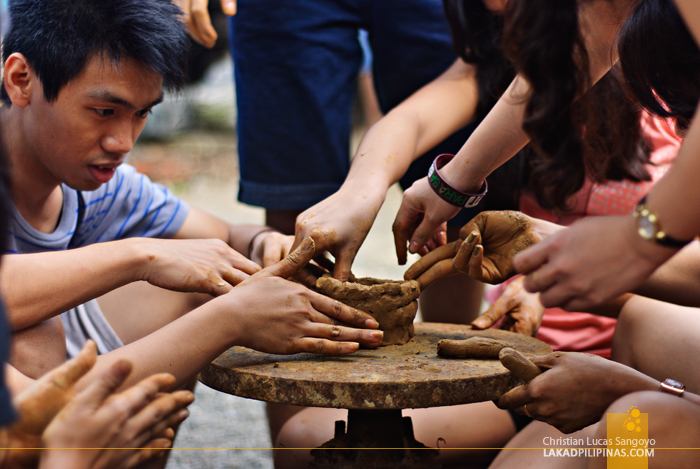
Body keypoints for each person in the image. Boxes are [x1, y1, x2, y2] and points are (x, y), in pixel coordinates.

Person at [0, 0, 381, 396]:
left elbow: (228, 238)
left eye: (141, 114)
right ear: (21, 79)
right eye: (103, 110)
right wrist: (146, 259)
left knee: (202, 280)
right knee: (33, 337)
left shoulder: (107, 188)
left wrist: (264, 243)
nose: (123, 142)